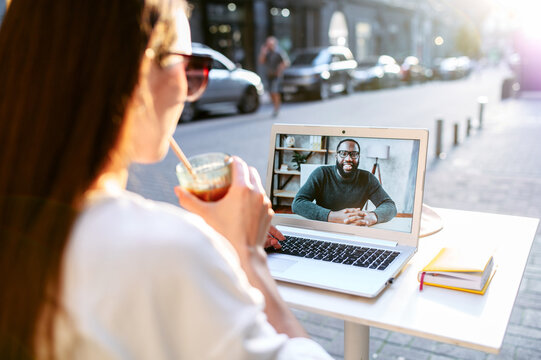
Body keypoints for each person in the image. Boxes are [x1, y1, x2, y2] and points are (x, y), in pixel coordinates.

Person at [0, 1, 332, 359]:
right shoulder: (166, 250)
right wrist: (248, 255)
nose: (189, 90)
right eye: (191, 67)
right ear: (140, 68)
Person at [292, 139, 397, 226]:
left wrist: (373, 216)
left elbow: (389, 205)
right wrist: (333, 216)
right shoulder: (321, 173)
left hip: (353, 228)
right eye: (343, 153)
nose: (348, 158)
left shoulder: (367, 178)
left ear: (358, 157)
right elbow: (298, 203)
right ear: (336, 157)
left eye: (354, 154)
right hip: (324, 226)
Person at [258, 36, 288, 117]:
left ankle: (276, 108)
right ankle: (275, 105)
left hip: (276, 75)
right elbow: (261, 61)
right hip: (269, 75)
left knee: (274, 91)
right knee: (270, 92)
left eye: (270, 44)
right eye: (267, 44)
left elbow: (286, 63)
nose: (269, 45)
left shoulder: (279, 52)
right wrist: (263, 52)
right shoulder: (267, 53)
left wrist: (279, 70)